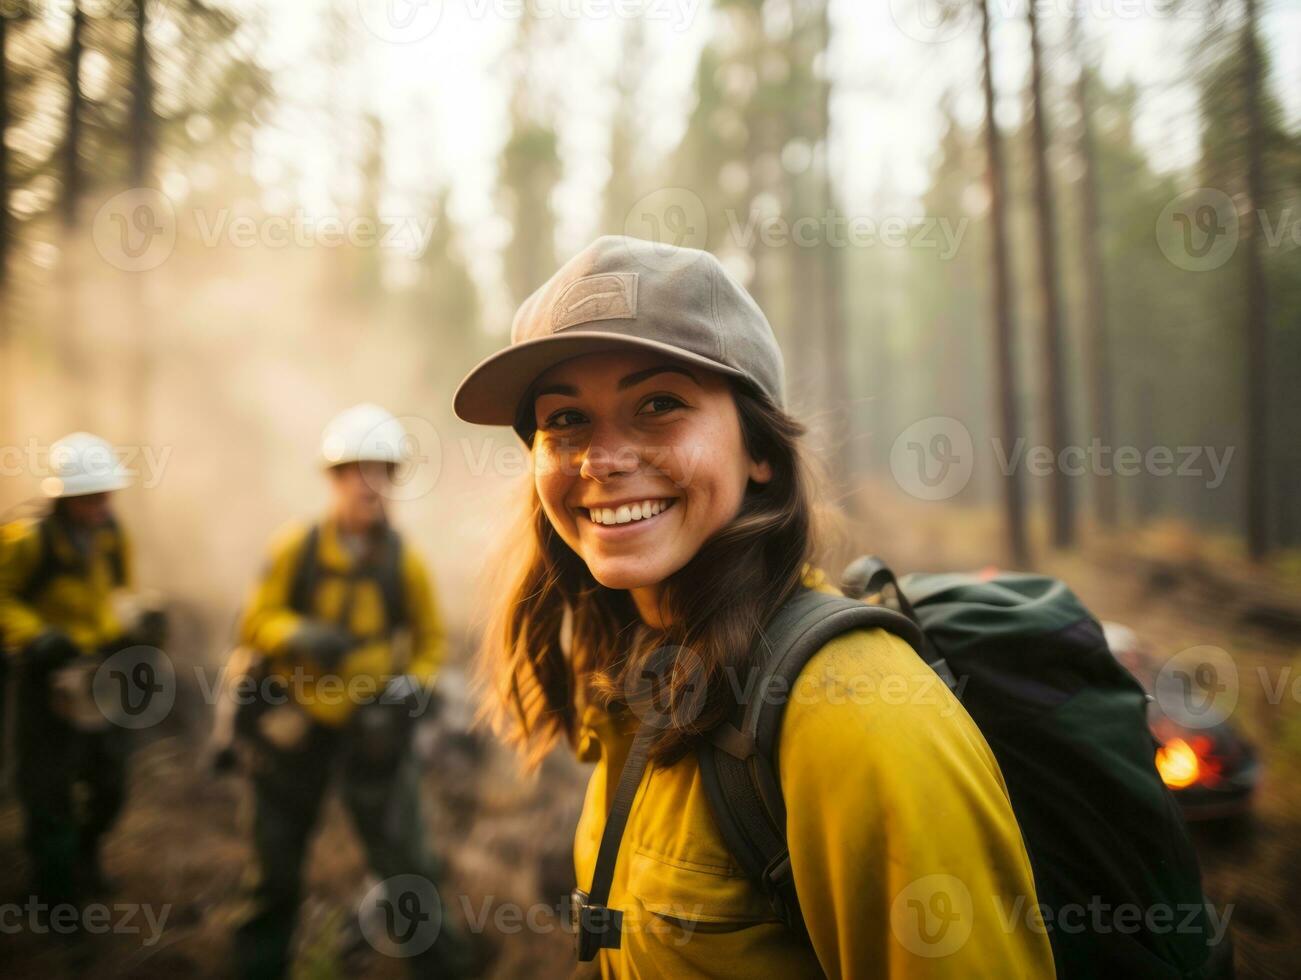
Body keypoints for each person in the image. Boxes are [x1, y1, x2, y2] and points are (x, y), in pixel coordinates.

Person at [454, 236, 1058, 977]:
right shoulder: (646, 669)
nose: (601, 459)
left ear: (758, 450)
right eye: (564, 420)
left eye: (658, 404)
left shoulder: (851, 709)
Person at [231, 403, 465, 979]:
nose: (371, 485)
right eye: (358, 471)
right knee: (273, 874)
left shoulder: (404, 562)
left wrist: (418, 684)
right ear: (333, 478)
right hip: (294, 727)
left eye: (383, 472)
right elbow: (255, 622)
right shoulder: (297, 549)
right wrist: (299, 633)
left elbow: (433, 641)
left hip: (374, 733)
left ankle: (444, 971)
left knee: (409, 867)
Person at [0, 431, 142, 909]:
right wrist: (34, 634)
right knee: (48, 793)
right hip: (44, 679)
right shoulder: (25, 539)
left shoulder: (112, 534)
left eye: (107, 494)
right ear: (67, 497)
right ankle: (56, 899)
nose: (104, 504)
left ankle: (84, 857)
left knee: (109, 784)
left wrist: (133, 623)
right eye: (93, 496)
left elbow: (119, 592)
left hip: (97, 674)